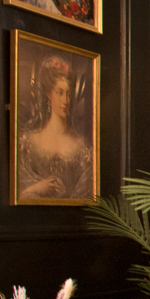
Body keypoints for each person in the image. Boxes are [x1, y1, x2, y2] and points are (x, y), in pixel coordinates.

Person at [17, 54, 93, 202]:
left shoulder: (82, 148)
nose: (65, 101)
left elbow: (86, 197)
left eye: (69, 95)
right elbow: (18, 195)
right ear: (49, 95)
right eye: (60, 93)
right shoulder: (28, 143)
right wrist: (36, 188)